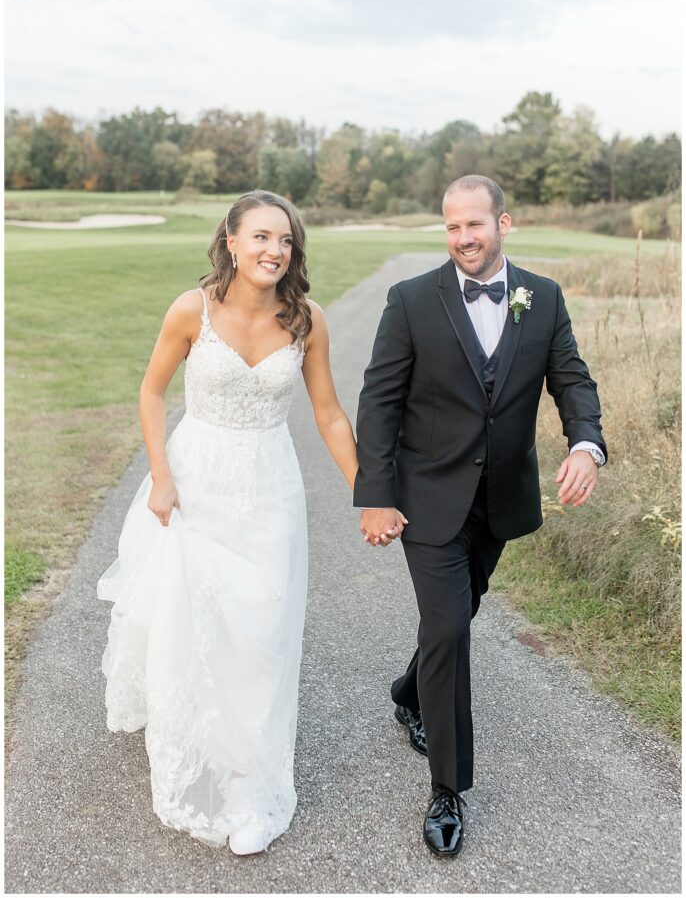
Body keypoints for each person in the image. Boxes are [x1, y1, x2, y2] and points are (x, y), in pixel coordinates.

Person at [98, 190, 358, 855]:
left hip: (270, 487)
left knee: (262, 631)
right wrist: (161, 475)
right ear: (233, 241)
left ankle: (254, 788)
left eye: (287, 241)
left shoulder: (307, 320)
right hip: (195, 481)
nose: (276, 250)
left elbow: (329, 415)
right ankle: (198, 747)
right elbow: (152, 391)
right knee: (198, 623)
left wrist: (368, 491)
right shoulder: (194, 308)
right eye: (263, 237)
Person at [353, 174, 606, 856]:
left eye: (475, 224)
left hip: (499, 502)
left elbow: (572, 379)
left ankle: (409, 692)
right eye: (451, 226)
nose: (463, 238)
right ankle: (447, 789)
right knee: (450, 630)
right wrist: (375, 492)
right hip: (426, 498)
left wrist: (586, 444)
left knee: (452, 623)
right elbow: (379, 402)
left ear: (504, 223)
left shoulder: (542, 298)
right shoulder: (410, 301)